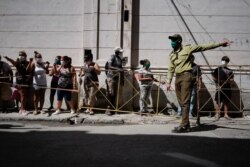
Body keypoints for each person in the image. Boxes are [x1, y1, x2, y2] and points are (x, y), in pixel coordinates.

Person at [166, 34, 231, 133]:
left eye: (174, 40)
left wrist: (220, 44)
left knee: (185, 102)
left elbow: (203, 47)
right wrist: (168, 82)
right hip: (177, 77)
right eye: (171, 40)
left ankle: (183, 125)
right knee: (181, 102)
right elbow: (170, 69)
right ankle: (186, 124)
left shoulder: (187, 49)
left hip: (187, 76)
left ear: (179, 41)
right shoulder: (171, 54)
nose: (172, 42)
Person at [4, 51, 33, 116]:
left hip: (26, 82)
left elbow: (29, 70)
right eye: (20, 55)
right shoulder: (18, 63)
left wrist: (30, 62)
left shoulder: (28, 63)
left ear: (25, 56)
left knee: (24, 96)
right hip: (20, 82)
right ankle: (22, 110)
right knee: (22, 96)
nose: (21, 57)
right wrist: (8, 58)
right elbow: (13, 62)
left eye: (22, 55)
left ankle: (22, 108)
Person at [105, 47, 127, 115]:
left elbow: (121, 69)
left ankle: (114, 108)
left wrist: (122, 78)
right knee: (110, 93)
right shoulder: (112, 57)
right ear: (116, 52)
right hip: (111, 77)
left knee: (115, 94)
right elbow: (109, 66)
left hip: (117, 78)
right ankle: (108, 109)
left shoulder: (120, 59)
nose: (121, 53)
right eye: (120, 52)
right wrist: (118, 69)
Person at [212, 56, 234, 120]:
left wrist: (229, 81)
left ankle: (226, 114)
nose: (224, 62)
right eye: (223, 60)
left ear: (227, 62)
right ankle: (217, 114)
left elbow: (232, 79)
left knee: (226, 101)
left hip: (227, 87)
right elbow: (213, 77)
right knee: (218, 101)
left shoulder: (230, 71)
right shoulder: (217, 69)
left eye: (225, 61)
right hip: (219, 87)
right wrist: (218, 81)